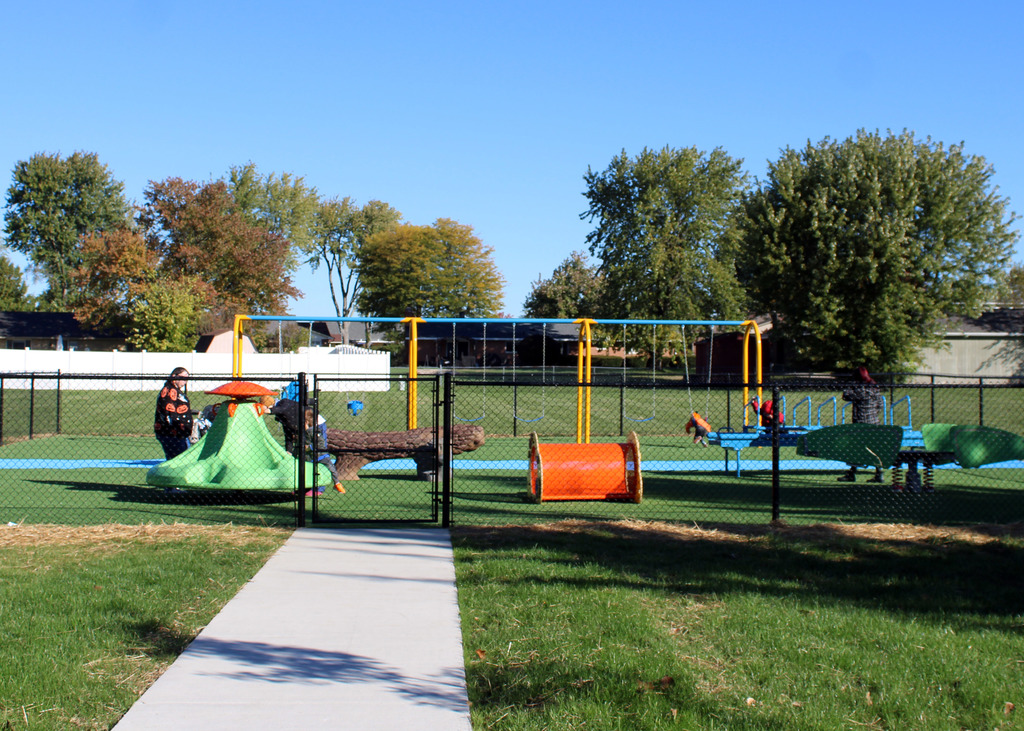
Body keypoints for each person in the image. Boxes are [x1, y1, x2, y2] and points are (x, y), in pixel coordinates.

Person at [839, 366, 885, 482]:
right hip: (874, 422)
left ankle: (852, 473)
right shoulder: (874, 387)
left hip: (861, 422)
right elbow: (880, 404)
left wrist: (850, 385)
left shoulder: (860, 389)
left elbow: (846, 395)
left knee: (856, 447)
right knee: (872, 448)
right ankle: (879, 472)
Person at [304, 407, 345, 495]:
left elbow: (317, 443)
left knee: (326, 468)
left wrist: (309, 446)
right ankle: (336, 483)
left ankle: (330, 485)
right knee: (326, 468)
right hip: (317, 455)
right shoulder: (311, 430)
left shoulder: (314, 431)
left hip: (320, 455)